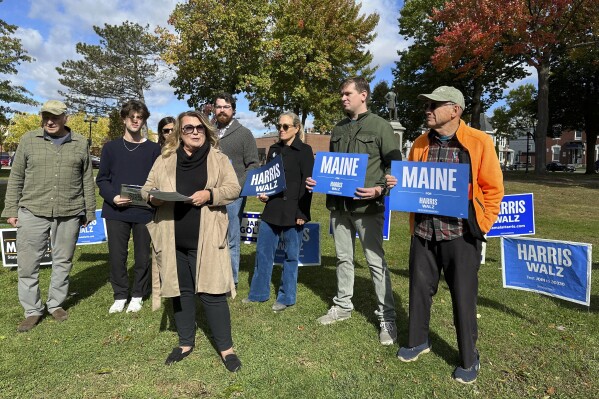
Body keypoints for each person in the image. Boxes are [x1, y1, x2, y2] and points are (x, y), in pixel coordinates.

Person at [386, 86, 504, 384]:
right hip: (424, 232)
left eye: (434, 105)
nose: (427, 109)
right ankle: (417, 341)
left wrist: (482, 224)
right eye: (427, 104)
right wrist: (395, 182)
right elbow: (410, 182)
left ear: (455, 110)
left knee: (463, 297)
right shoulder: (419, 143)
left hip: (461, 235)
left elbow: (493, 189)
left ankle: (468, 357)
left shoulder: (479, 142)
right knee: (418, 290)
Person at [141, 110, 242, 371]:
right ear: (179, 133)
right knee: (180, 291)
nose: (195, 132)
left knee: (213, 293)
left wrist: (209, 194)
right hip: (172, 238)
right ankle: (185, 342)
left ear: (206, 130)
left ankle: (226, 349)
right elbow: (146, 188)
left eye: (199, 127)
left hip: (207, 239)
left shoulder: (218, 159)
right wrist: (154, 198)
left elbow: (233, 189)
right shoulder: (165, 159)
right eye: (188, 128)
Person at [306, 76, 402, 345]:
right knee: (343, 258)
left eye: (347, 93)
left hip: (368, 207)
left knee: (375, 262)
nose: (342, 98)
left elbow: (394, 165)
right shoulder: (337, 129)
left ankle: (387, 316)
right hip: (339, 207)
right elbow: (334, 167)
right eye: (341, 94)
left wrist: (380, 188)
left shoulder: (380, 126)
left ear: (364, 95)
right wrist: (318, 179)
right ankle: (343, 306)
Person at [2, 100, 96, 332]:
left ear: (66, 117)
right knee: (27, 264)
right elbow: (16, 178)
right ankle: (32, 310)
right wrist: (11, 209)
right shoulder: (28, 140)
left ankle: (56, 304)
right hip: (33, 210)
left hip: (70, 211)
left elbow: (86, 179)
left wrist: (89, 210)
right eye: (46, 116)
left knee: (63, 262)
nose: (50, 121)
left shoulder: (80, 142)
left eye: (55, 116)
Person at [242, 112, 314, 312]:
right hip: (271, 210)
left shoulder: (305, 151)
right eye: (279, 126)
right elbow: (268, 178)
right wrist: (263, 193)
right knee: (263, 254)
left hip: (293, 211)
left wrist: (302, 213)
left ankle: (286, 297)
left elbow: (308, 186)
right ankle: (258, 294)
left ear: (296, 128)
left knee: (291, 257)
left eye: (286, 126)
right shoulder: (273, 150)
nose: (281, 130)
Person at [96, 100, 161, 314]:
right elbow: (102, 179)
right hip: (116, 210)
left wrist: (153, 195)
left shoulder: (154, 149)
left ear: (143, 121)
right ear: (124, 119)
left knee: (142, 256)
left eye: (139, 117)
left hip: (144, 210)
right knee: (117, 255)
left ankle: (137, 294)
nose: (135, 121)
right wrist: (113, 197)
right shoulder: (111, 148)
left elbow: (158, 180)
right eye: (131, 117)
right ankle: (120, 294)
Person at [213, 93, 259, 287]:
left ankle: (231, 280)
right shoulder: (208, 132)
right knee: (212, 236)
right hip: (210, 193)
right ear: (214, 109)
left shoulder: (244, 133)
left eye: (226, 107)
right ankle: (212, 275)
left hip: (234, 195)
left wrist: (237, 188)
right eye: (218, 107)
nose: (222, 110)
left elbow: (253, 165)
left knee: (231, 238)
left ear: (233, 109)